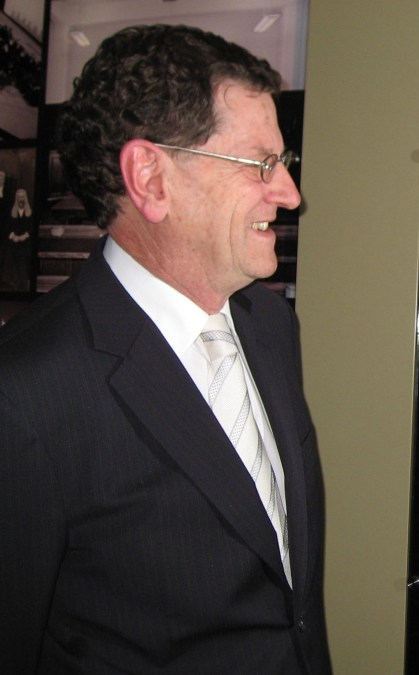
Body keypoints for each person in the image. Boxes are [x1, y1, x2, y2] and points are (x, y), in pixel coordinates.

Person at [0, 25, 331, 673]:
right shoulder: (26, 392)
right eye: (262, 164)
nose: (291, 194)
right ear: (151, 177)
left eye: (285, 164)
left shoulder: (270, 326)